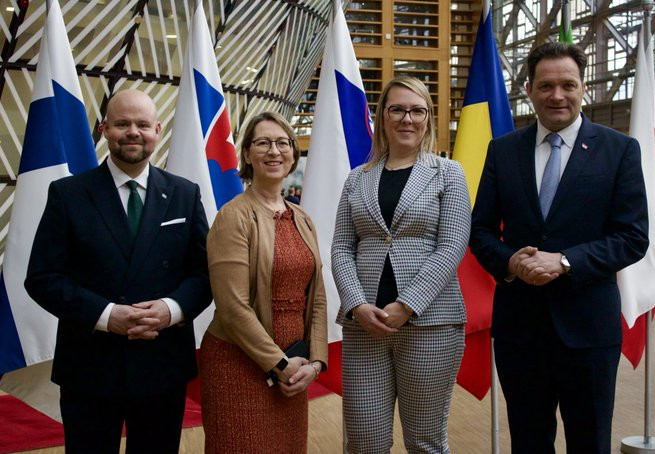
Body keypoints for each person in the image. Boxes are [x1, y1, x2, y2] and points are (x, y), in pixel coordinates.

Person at [470, 42, 649, 454]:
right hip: (521, 331)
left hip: (588, 332)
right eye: (546, 85)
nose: (557, 95)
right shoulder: (503, 150)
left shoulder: (618, 150)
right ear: (529, 89)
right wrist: (510, 262)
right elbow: (479, 231)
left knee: (590, 442)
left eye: (568, 84)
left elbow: (633, 237)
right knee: (528, 443)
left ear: (583, 87)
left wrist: (567, 261)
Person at [24, 89, 212, 453]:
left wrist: (171, 310)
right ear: (104, 128)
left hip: (161, 366)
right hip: (90, 368)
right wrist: (108, 316)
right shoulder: (68, 194)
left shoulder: (184, 194)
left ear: (157, 130)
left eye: (142, 124)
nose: (133, 132)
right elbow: (43, 278)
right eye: (122, 123)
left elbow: (205, 274)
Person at [331, 76, 471, 453]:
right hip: (365, 326)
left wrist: (406, 304)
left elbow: (452, 245)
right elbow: (342, 248)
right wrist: (356, 304)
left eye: (417, 110)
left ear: (428, 118)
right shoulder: (356, 179)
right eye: (397, 109)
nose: (407, 118)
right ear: (383, 117)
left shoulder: (449, 173)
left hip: (431, 325)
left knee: (425, 442)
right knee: (363, 441)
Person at [200, 111, 327, 453]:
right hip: (239, 363)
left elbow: (316, 298)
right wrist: (279, 364)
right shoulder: (233, 216)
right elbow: (231, 307)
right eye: (263, 143)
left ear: (293, 154)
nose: (274, 151)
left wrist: (314, 364)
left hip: (295, 367)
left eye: (283, 143)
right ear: (247, 154)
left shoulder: (302, 218)